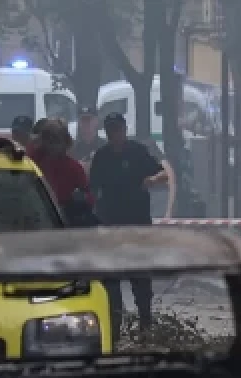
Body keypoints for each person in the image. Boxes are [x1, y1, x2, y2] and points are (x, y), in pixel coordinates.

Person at [89, 112, 169, 334]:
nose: (115, 134)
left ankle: (145, 321)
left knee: (140, 275)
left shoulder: (138, 152)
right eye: (111, 130)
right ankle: (115, 320)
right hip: (111, 223)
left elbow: (165, 173)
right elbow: (92, 186)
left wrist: (152, 180)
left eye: (118, 129)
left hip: (138, 222)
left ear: (124, 130)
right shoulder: (102, 156)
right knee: (111, 276)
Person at [31, 119, 91, 210]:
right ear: (44, 141)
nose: (53, 145)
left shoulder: (74, 167)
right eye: (49, 140)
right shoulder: (33, 162)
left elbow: (89, 197)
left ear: (65, 142)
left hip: (66, 218)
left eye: (56, 140)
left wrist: (81, 199)